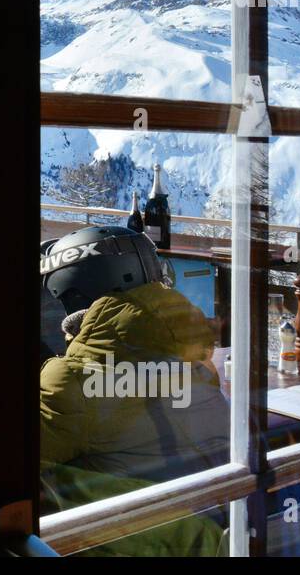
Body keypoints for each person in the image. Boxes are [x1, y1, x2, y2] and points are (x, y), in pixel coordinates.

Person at [38, 225, 228, 555]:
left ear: (70, 295)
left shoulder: (73, 380)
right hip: (211, 537)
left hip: (150, 544)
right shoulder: (195, 359)